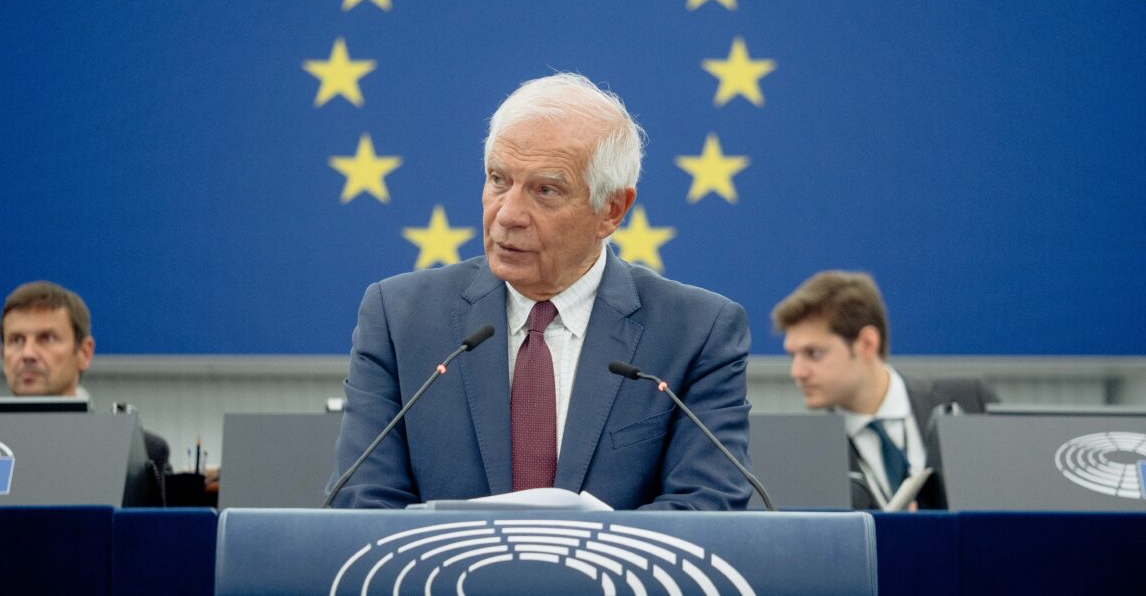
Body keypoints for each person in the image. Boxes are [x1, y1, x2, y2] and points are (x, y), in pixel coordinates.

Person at [329, 72, 754, 510]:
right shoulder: (400, 318)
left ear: (611, 210)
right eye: (498, 179)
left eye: (546, 190)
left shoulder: (696, 332)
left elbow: (707, 508)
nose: (508, 214)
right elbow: (362, 505)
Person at [771, 270, 998, 509]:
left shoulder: (973, 401)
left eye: (813, 354)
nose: (797, 372)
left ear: (867, 343)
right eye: (792, 356)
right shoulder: (808, 455)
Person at [0, 281, 172, 493]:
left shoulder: (137, 454)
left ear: (84, 353)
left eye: (47, 338)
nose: (27, 354)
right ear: (2, 353)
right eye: (16, 340)